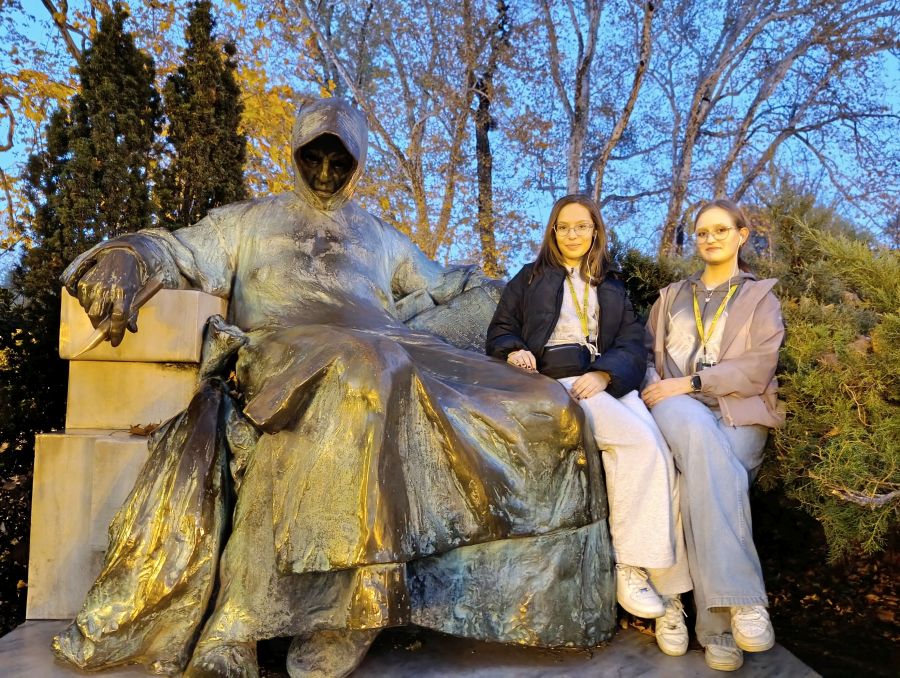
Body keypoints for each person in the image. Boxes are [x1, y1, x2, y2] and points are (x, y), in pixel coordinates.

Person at [52, 99, 616, 678]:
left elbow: (448, 283)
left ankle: (512, 598)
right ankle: (330, 612)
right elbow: (175, 249)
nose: (325, 172)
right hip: (284, 347)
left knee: (547, 404)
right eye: (313, 156)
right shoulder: (246, 220)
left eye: (339, 160)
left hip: (388, 346)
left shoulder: (379, 235)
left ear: (358, 163)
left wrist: (524, 299)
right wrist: (127, 256)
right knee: (364, 366)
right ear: (295, 152)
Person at [486, 194, 692, 657]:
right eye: (563, 227)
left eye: (582, 226)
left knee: (665, 458)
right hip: (559, 380)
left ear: (596, 230)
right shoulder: (530, 277)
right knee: (639, 445)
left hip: (605, 381)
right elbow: (500, 329)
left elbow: (632, 344)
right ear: (553, 231)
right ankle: (630, 568)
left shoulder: (612, 283)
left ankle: (671, 597)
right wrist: (514, 350)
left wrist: (605, 374)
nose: (572, 234)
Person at [641, 198, 785, 672]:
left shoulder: (761, 297)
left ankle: (705, 623)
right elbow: (645, 358)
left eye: (721, 230)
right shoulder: (669, 298)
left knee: (700, 483)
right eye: (702, 232)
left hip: (738, 410)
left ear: (741, 235)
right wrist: (665, 388)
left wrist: (694, 381)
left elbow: (758, 367)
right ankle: (743, 605)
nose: (710, 239)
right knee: (706, 455)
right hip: (677, 407)